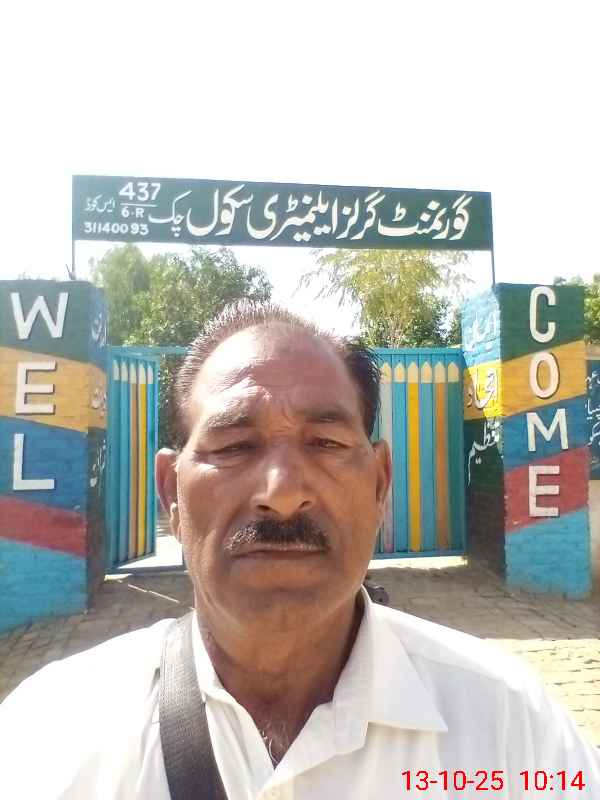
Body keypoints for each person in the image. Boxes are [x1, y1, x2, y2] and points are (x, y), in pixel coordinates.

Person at [0, 300, 599, 799]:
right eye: (234, 446)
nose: (283, 494)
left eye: (326, 443)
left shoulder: (514, 729)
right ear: (170, 494)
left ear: (380, 484)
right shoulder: (47, 738)